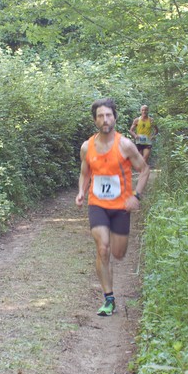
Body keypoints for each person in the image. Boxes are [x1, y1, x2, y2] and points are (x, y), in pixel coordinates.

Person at [76, 98, 150, 316]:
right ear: (95, 120)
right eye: (100, 116)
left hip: (121, 207)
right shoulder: (87, 147)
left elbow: (144, 170)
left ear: (115, 118)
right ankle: (109, 298)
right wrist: (81, 191)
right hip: (97, 204)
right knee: (103, 248)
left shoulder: (125, 145)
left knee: (118, 253)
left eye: (108, 115)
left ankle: (110, 287)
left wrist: (136, 195)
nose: (105, 119)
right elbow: (85, 173)